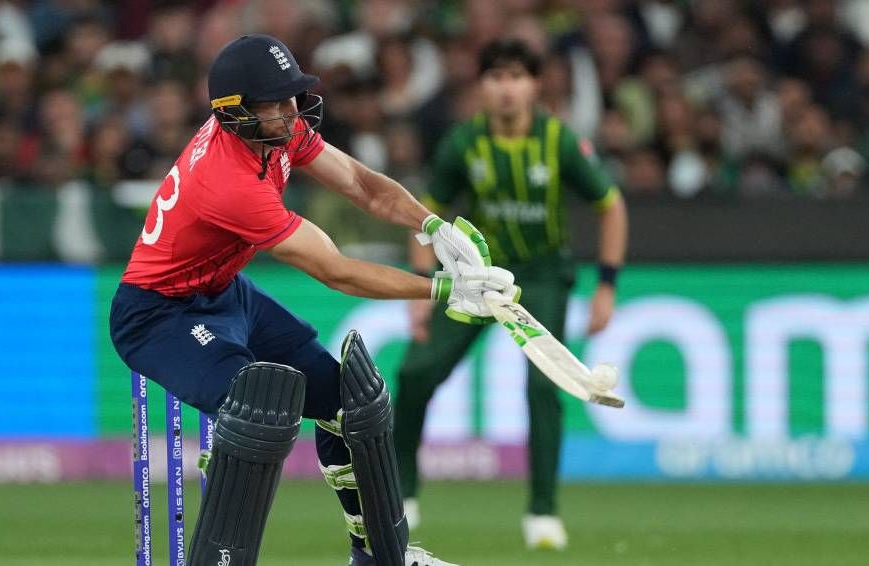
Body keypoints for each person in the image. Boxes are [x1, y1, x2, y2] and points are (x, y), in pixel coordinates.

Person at [109, 34, 517, 566]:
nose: (291, 111)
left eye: (292, 97)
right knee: (255, 411)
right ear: (235, 113)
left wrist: (432, 226)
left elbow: (362, 185)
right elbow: (336, 270)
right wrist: (442, 288)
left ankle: (379, 557)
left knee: (351, 404)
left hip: (225, 293)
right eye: (275, 102)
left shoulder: (278, 132)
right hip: (158, 314)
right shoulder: (227, 182)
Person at [393, 39, 629, 551]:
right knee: (414, 374)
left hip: (543, 278)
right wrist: (419, 291)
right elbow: (423, 215)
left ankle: (543, 513)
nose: (506, 88)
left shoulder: (560, 142)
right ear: (482, 86)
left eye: (518, 76)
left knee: (546, 389)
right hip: (479, 280)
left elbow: (610, 206)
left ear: (536, 84)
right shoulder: (462, 144)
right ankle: (402, 498)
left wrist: (606, 286)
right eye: (496, 77)